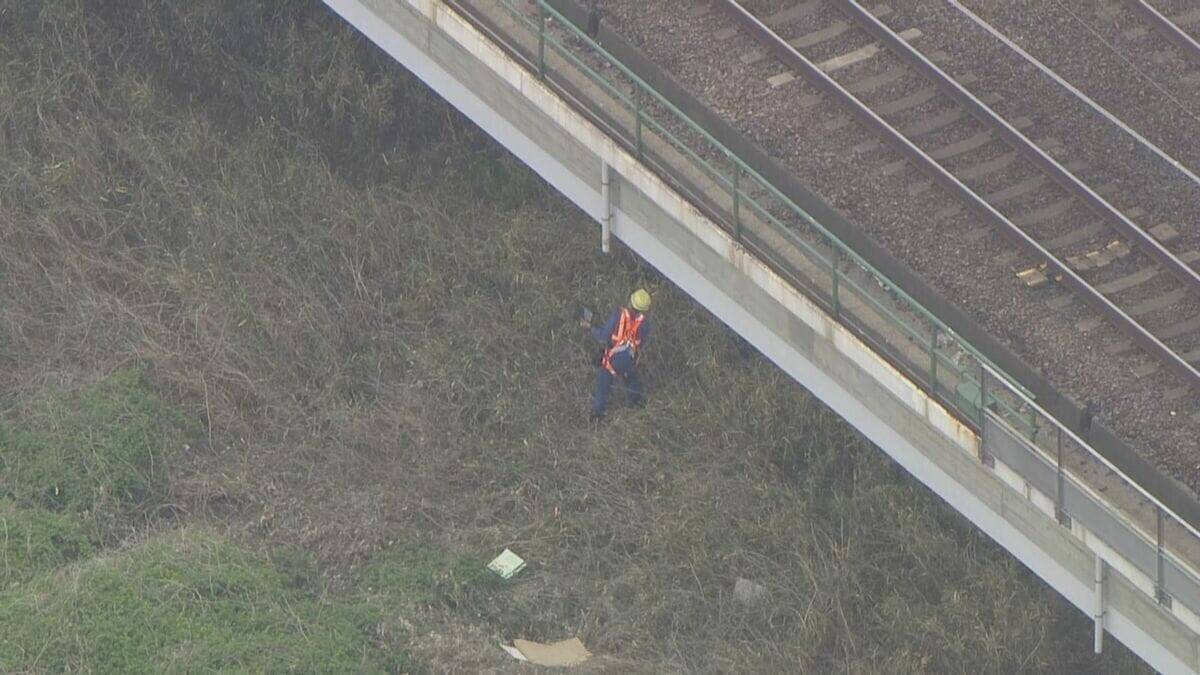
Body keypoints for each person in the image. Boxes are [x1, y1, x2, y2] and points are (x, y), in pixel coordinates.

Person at [588, 289, 651, 420]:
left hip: (613, 359)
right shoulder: (645, 324)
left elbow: (604, 335)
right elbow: (641, 342)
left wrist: (590, 327)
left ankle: (597, 414)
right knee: (631, 378)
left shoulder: (618, 314)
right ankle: (637, 403)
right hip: (630, 359)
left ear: (630, 301)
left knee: (603, 383)